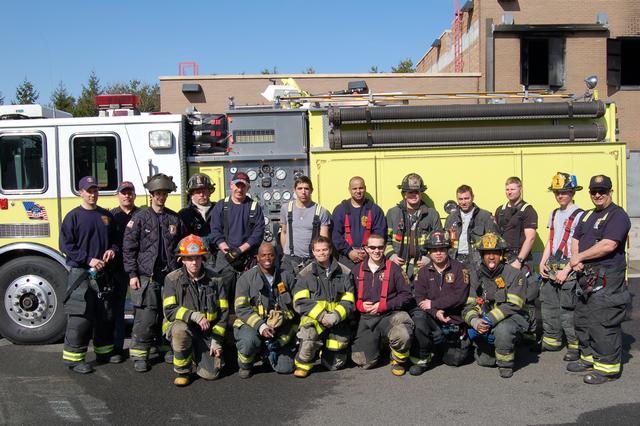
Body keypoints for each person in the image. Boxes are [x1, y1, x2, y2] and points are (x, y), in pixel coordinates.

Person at [568, 174, 631, 385]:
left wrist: (580, 257)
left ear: (610, 192)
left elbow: (609, 245)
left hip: (607, 278)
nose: (598, 195)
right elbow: (575, 239)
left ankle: (606, 368)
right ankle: (589, 358)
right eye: (594, 191)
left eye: (602, 191)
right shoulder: (586, 216)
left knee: (603, 322)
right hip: (585, 275)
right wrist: (575, 260)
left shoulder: (617, 216)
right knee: (583, 319)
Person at [124, 173, 184, 372]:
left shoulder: (173, 218)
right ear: (151, 195)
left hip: (168, 276)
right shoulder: (139, 218)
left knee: (168, 315)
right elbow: (129, 248)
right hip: (146, 276)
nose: (161, 197)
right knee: (146, 317)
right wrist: (132, 274)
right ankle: (140, 354)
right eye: (157, 193)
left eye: (164, 193)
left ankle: (166, 347)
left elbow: (180, 246)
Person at [60, 176, 121, 374]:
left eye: (95, 190)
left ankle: (104, 352)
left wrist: (112, 250)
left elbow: (115, 240)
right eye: (88, 191)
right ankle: (74, 359)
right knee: (80, 317)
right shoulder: (73, 217)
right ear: (80, 192)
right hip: (82, 274)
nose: (92, 194)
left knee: (105, 314)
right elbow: (66, 246)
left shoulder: (106, 216)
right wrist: (88, 259)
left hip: (103, 274)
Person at [163, 235, 228, 386]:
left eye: (197, 258)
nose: (194, 262)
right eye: (189, 258)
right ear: (182, 260)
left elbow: (223, 313)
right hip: (182, 327)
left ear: (203, 258)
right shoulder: (172, 279)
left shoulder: (216, 280)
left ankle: (195, 354)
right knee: (180, 331)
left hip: (207, 331)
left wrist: (217, 340)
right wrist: (194, 316)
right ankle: (183, 371)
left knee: (211, 374)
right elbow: (170, 310)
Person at [463, 232, 528, 378]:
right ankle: (496, 346)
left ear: (502, 254)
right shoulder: (475, 275)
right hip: (486, 322)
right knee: (485, 361)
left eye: (495, 253)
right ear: (481, 255)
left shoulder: (514, 274)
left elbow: (513, 306)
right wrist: (475, 321)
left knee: (503, 329)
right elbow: (468, 305)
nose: (491, 257)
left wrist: (488, 320)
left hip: (511, 319)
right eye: (487, 253)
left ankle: (506, 364)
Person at [350, 233, 414, 376]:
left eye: (380, 247)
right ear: (366, 249)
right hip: (365, 319)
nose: (376, 251)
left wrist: (385, 305)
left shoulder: (395, 270)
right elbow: (347, 297)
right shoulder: (356, 270)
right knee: (363, 361)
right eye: (372, 247)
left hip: (388, 315)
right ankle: (381, 344)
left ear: (385, 248)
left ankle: (397, 359)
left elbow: (407, 296)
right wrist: (359, 305)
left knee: (402, 333)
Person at [409, 230, 472, 376]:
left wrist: (434, 304)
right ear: (429, 252)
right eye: (434, 250)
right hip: (432, 318)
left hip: (453, 320)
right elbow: (419, 298)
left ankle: (442, 346)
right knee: (418, 318)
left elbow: (460, 297)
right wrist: (434, 311)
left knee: (455, 360)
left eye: (442, 249)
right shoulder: (423, 272)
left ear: (447, 250)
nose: (438, 253)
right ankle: (423, 357)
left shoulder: (460, 269)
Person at [292, 236, 355, 378]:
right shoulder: (305, 274)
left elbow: (349, 300)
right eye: (318, 250)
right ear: (313, 252)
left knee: (334, 365)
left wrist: (335, 316)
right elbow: (300, 301)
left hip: (336, 320)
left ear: (330, 250)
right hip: (314, 320)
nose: (322, 253)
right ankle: (303, 364)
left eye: (325, 249)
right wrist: (321, 315)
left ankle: (322, 352)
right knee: (309, 335)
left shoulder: (344, 272)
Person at [234, 243, 298, 378]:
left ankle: (267, 352)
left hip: (278, 328)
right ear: (257, 257)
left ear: (276, 257)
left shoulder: (287, 277)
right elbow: (241, 309)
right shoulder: (245, 279)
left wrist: (282, 321)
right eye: (263, 255)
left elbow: (297, 307)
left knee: (286, 368)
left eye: (271, 255)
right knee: (248, 341)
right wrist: (261, 326)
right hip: (252, 325)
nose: (267, 258)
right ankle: (245, 364)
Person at [538, 173, 584, 360]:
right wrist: (542, 261)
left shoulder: (581, 215)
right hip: (552, 267)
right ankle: (552, 340)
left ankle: (574, 345)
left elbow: (579, 247)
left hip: (569, 270)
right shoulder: (554, 213)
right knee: (549, 306)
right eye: (557, 192)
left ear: (572, 192)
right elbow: (551, 241)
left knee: (568, 309)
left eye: (564, 192)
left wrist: (567, 270)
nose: (560, 195)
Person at [494, 176, 539, 346]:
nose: (509, 192)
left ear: (520, 189)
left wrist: (519, 260)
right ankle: (511, 332)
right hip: (504, 261)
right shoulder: (500, 210)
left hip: (519, 260)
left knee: (527, 298)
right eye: (507, 189)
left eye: (512, 189)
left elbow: (530, 238)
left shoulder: (528, 210)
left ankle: (531, 334)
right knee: (505, 297)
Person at [209, 171, 265, 305]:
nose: (239, 189)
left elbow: (258, 234)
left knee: (248, 294)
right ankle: (224, 321)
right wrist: (227, 250)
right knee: (223, 294)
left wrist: (240, 250)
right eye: (237, 185)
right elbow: (215, 230)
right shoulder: (221, 206)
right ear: (231, 185)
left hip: (247, 258)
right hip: (225, 258)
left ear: (248, 188)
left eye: (243, 186)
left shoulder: (254, 207)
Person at [385, 172, 442, 281]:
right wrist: (391, 255)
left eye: (417, 192)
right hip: (398, 267)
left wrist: (429, 258)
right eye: (410, 192)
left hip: (423, 267)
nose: (413, 195)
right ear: (404, 194)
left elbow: (438, 242)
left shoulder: (432, 214)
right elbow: (384, 239)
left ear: (421, 193)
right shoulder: (393, 213)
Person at [331, 176, 387, 270]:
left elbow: (380, 234)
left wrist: (368, 251)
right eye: (354, 188)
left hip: (371, 256)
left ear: (365, 188)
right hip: (346, 258)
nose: (358, 191)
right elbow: (335, 236)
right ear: (349, 190)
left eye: (361, 188)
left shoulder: (375, 210)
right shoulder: (340, 210)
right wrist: (349, 252)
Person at [110, 181, 139, 356]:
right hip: (118, 269)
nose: (127, 195)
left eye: (130, 192)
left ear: (134, 195)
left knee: (140, 310)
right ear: (118, 195)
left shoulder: (142, 214)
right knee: (117, 309)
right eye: (123, 192)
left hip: (138, 269)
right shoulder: (111, 216)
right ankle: (117, 347)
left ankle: (139, 348)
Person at [280, 175, 331, 275]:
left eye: (306, 188)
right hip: (289, 259)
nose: (303, 192)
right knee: (284, 288)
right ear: (294, 190)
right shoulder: (286, 208)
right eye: (300, 188)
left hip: (311, 260)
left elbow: (324, 239)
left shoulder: (321, 211)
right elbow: (284, 232)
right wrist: (285, 253)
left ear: (311, 190)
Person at [444, 184, 498, 266]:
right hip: (454, 260)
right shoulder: (451, 218)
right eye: (460, 199)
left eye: (466, 198)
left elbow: (493, 243)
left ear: (472, 197)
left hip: (477, 261)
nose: (463, 202)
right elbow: (445, 242)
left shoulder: (485, 216)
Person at [178, 173, 216, 265]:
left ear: (210, 192)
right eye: (198, 191)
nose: (202, 194)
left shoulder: (219, 209)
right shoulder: (184, 214)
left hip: (218, 259)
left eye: (204, 190)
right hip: (194, 260)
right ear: (191, 194)